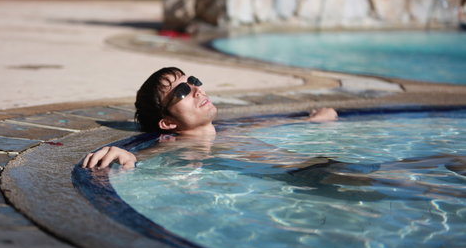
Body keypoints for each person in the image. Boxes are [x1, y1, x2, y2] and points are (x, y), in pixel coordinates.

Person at [81, 67, 338, 169]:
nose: (196, 89)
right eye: (182, 91)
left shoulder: (227, 130)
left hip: (315, 168)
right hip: (304, 178)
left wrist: (311, 121)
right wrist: (127, 156)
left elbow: (266, 124)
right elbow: (148, 156)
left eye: (192, 81)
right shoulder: (183, 145)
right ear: (169, 123)